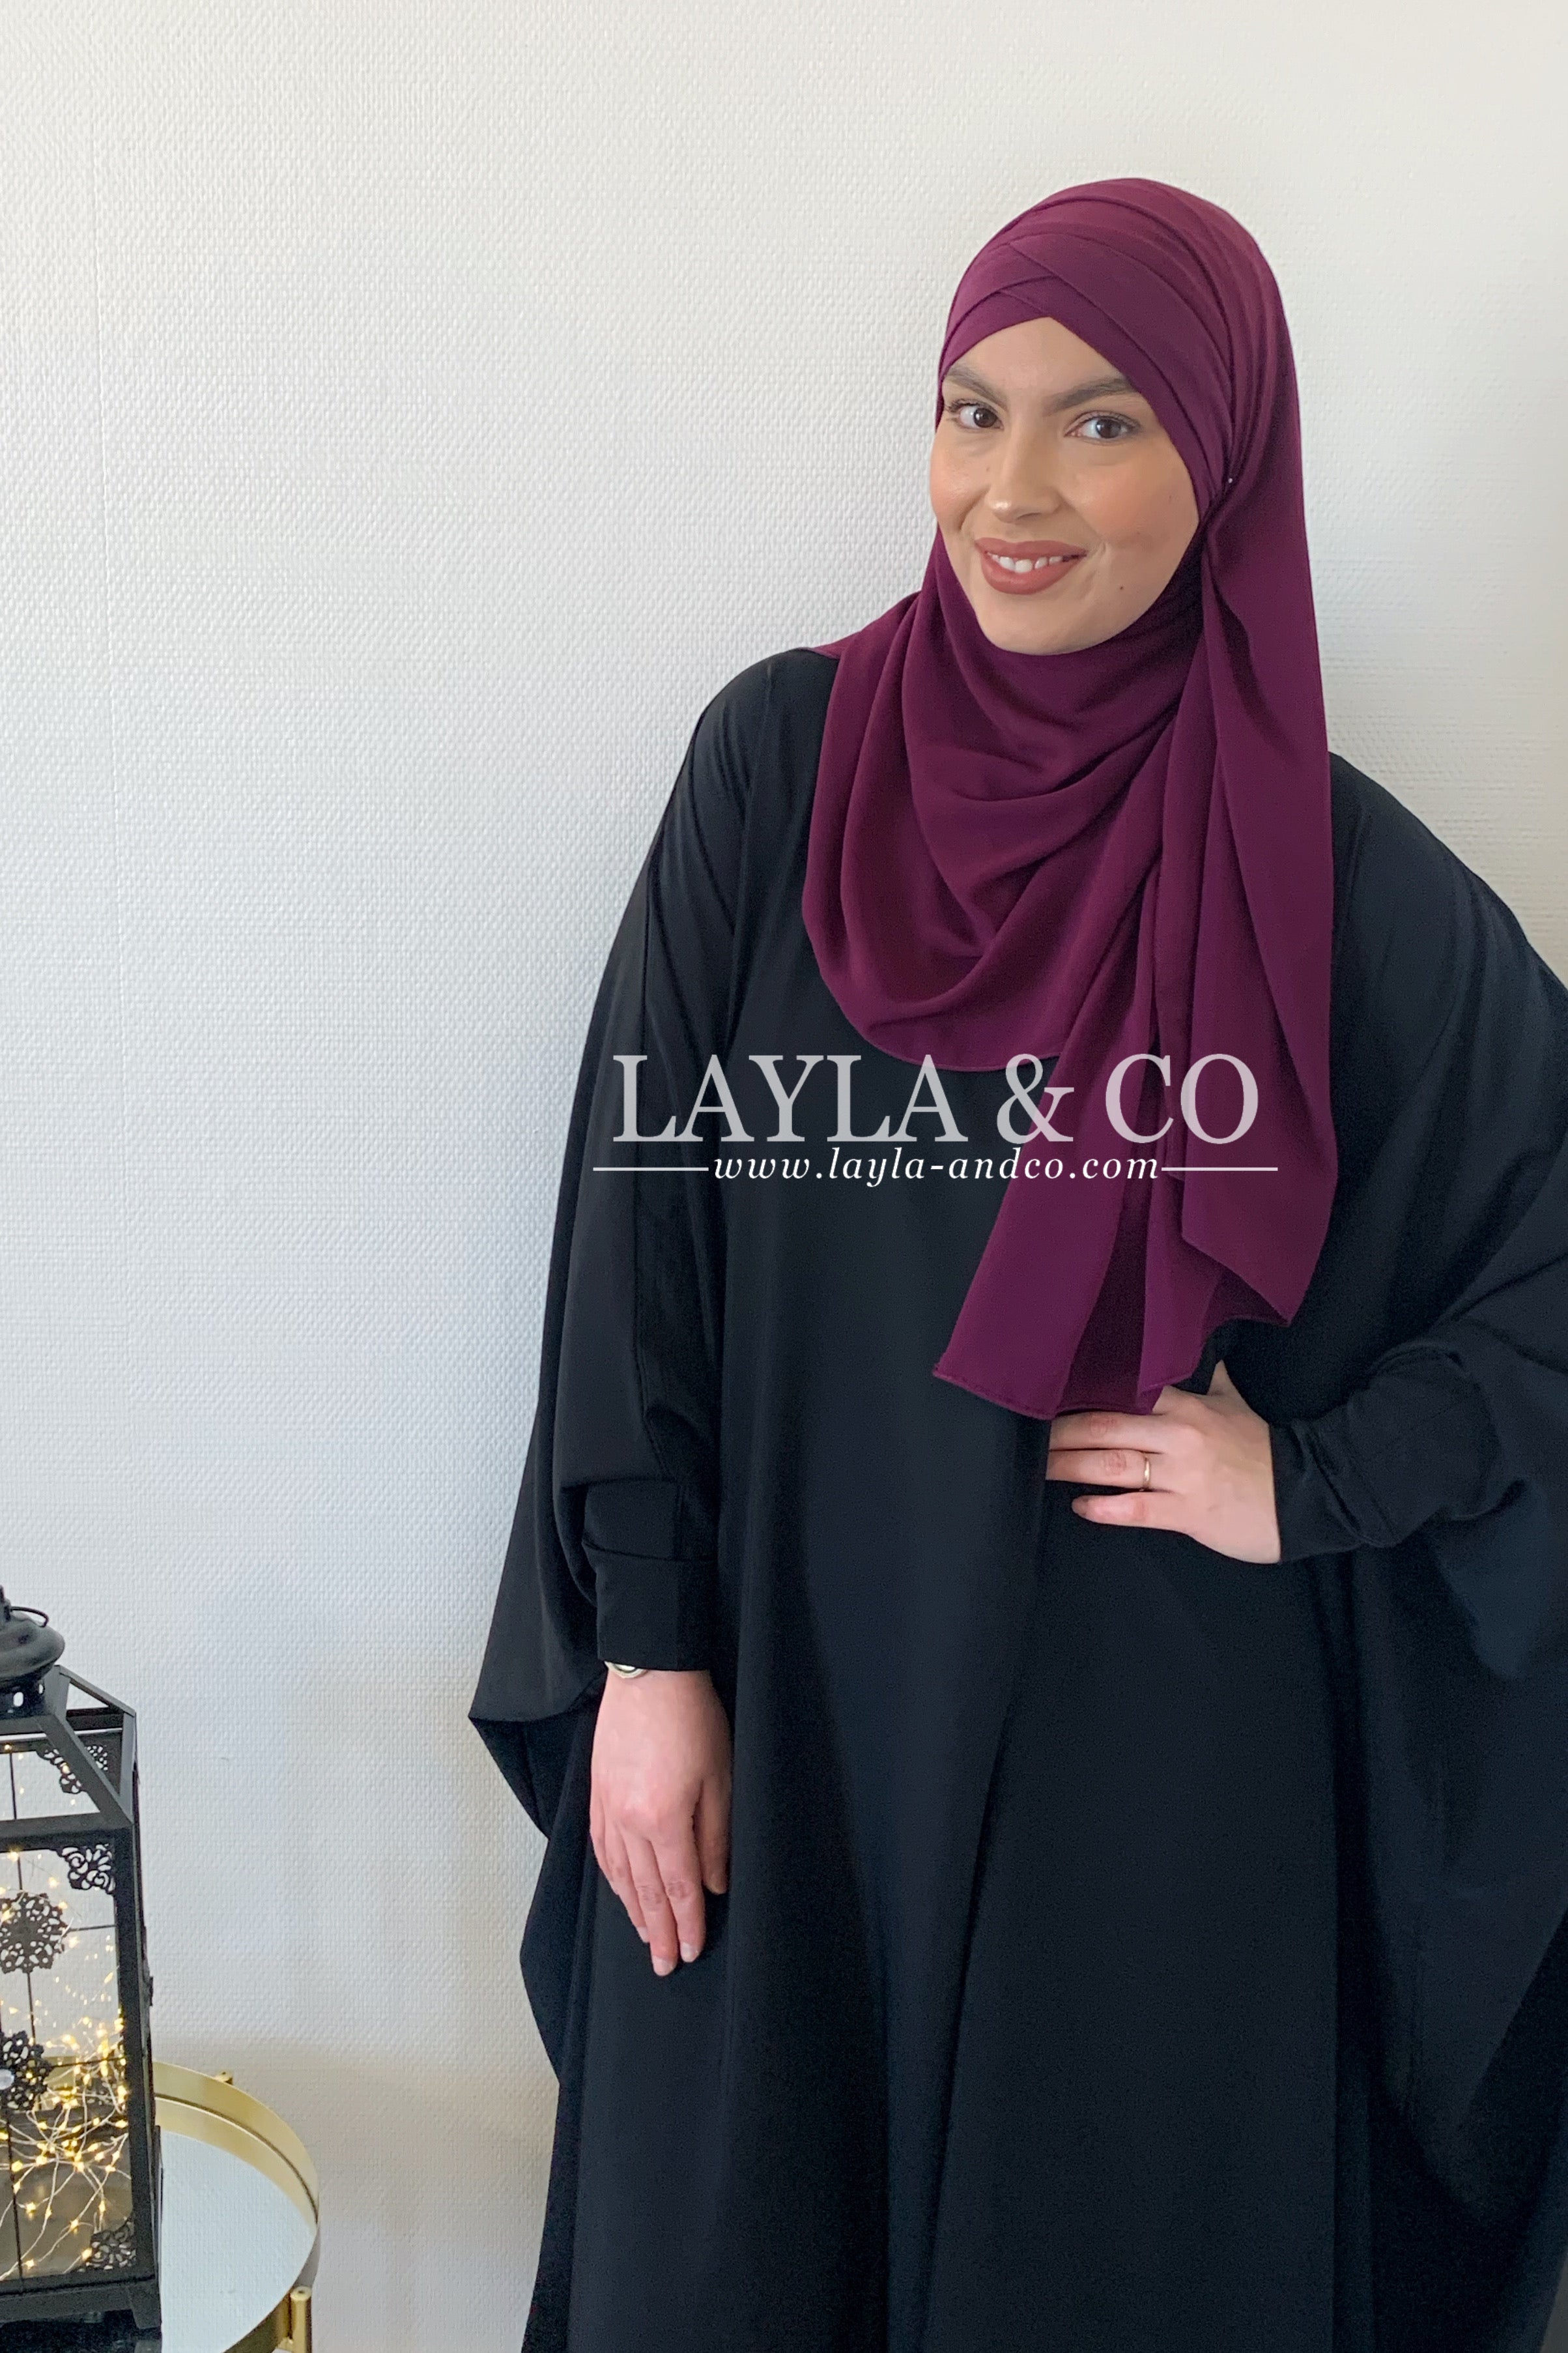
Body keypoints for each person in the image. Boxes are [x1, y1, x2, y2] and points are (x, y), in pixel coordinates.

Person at [472, 178, 1568, 2353]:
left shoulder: (1333, 882)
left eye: (1103, 422)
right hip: (789, 1710)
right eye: (973, 412)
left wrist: (1315, 1480)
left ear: (1224, 458)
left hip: (1146, 1795)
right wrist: (651, 1656)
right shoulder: (779, 768)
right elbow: (636, 1239)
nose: (1012, 490)